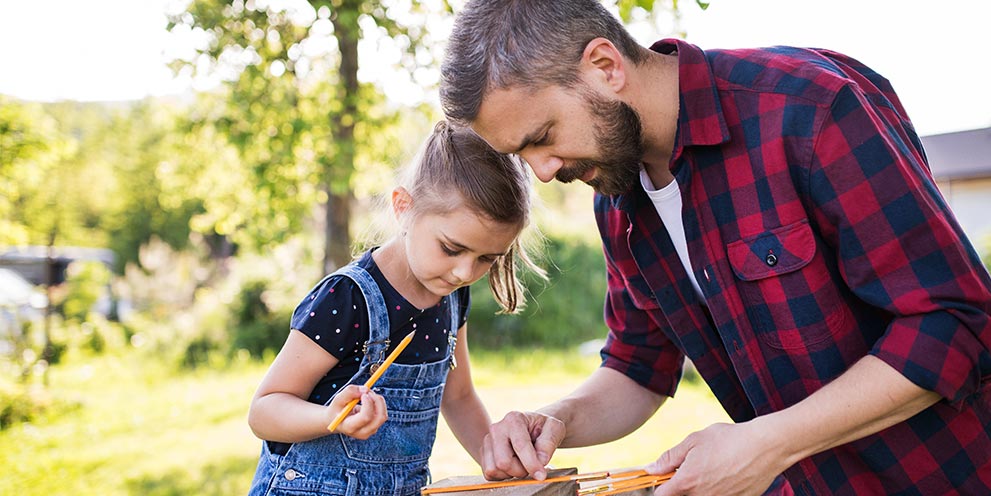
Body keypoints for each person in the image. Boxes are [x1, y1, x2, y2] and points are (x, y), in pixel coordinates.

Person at [439, 1, 991, 495]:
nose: (542, 171)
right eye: (522, 155)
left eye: (542, 136)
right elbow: (638, 368)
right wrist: (556, 419)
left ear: (605, 67)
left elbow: (954, 322)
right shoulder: (615, 195)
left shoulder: (809, 109)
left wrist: (767, 443)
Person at [246, 120, 543, 496]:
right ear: (404, 207)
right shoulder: (347, 298)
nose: (465, 272)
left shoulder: (452, 298)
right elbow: (265, 410)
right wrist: (329, 418)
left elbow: (459, 397)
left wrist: (498, 457)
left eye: (487, 258)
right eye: (451, 249)